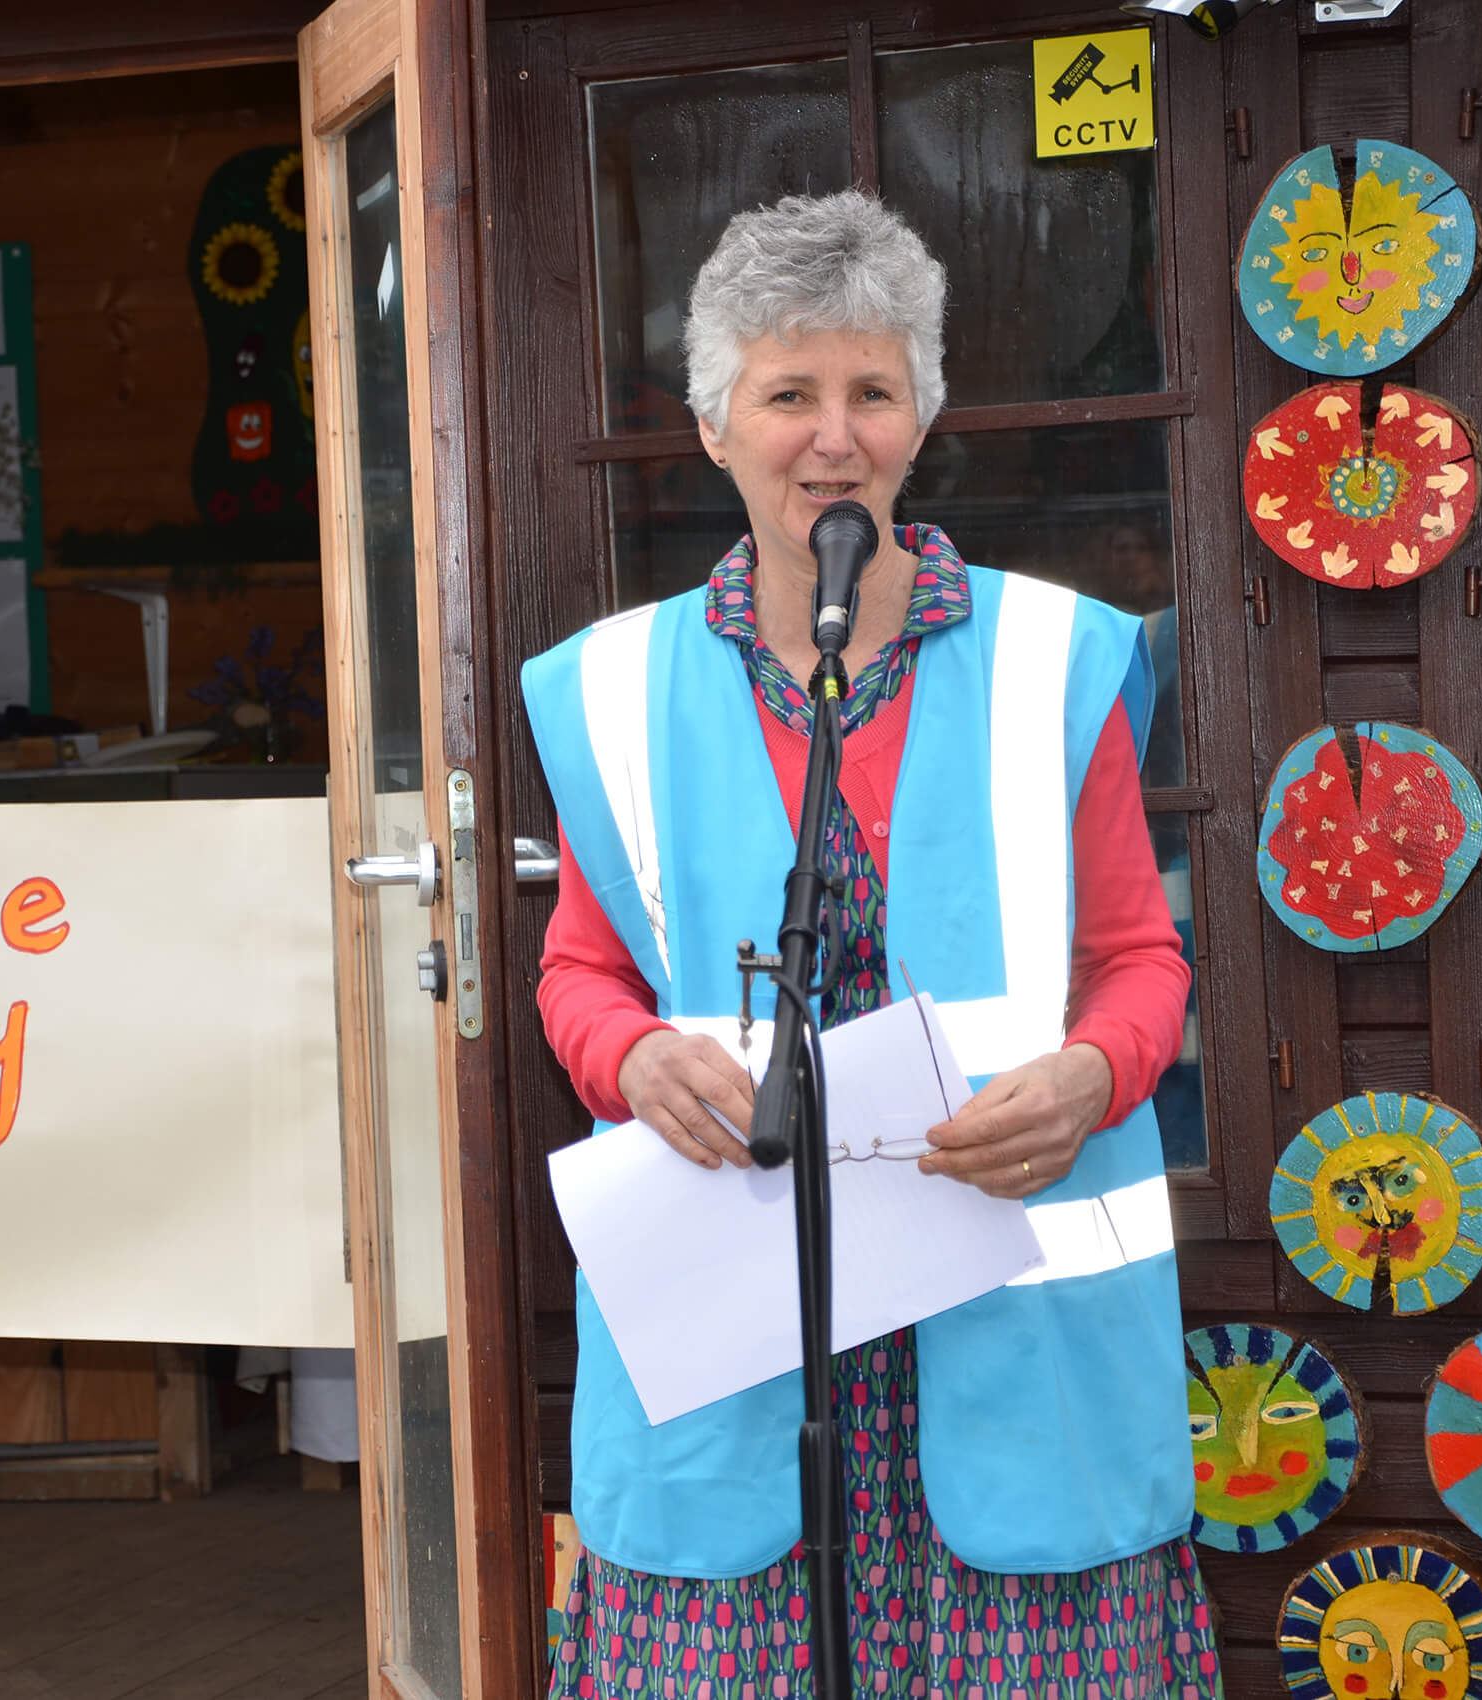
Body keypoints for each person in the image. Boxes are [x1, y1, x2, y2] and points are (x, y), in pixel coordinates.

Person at [522, 191, 1216, 1699]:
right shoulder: (616, 689)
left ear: (921, 420)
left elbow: (1139, 958)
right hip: (738, 1334)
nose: (832, 437)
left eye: (872, 392)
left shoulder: (1051, 658)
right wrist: (631, 1054)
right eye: (789, 394)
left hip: (1002, 1331)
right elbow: (579, 969)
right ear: (716, 426)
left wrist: (1094, 1081)